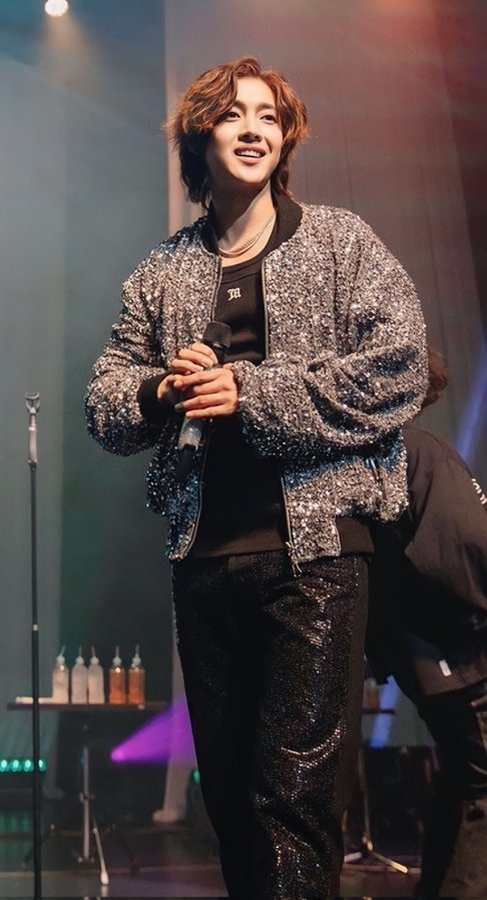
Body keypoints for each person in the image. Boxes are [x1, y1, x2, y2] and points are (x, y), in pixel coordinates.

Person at [85, 57, 427, 899]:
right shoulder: (162, 271)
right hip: (204, 559)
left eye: (268, 117)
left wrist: (251, 392)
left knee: (294, 799)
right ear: (198, 139)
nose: (252, 129)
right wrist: (162, 390)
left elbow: (400, 367)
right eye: (233, 115)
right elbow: (104, 403)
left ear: (285, 139)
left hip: (315, 557)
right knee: (233, 804)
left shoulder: (340, 242)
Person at [366, 347, 487, 898]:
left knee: (464, 778)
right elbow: (464, 546)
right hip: (458, 649)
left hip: (420, 657)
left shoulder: (372, 460)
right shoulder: (419, 452)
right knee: (480, 783)